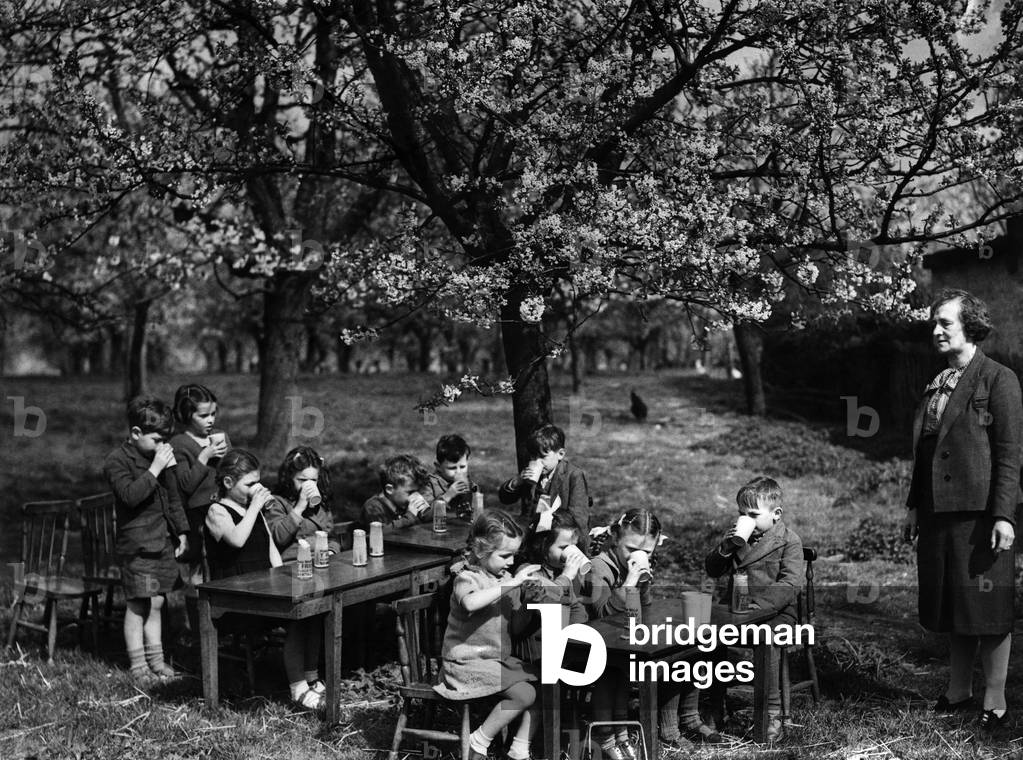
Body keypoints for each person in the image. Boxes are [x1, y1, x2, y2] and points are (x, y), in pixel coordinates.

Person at [902, 288, 1022, 731]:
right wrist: (914, 506)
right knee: (953, 601)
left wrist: (1004, 515)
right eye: (933, 323)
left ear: (969, 326)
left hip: (981, 515)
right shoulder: (937, 382)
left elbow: (1010, 452)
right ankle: (958, 690)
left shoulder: (998, 379)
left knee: (986, 606)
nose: (935, 331)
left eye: (944, 323)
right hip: (937, 512)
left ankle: (994, 696)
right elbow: (925, 452)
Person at [205, 450, 326, 712]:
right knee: (296, 618)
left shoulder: (253, 509)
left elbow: (271, 548)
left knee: (312, 608)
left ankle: (310, 675)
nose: (255, 489)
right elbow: (236, 539)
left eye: (257, 482)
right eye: (249, 484)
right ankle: (297, 689)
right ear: (228, 483)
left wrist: (284, 579)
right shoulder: (217, 511)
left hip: (263, 590)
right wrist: (256, 507)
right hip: (235, 597)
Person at [583, 509, 706, 754]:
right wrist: (629, 582)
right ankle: (610, 735)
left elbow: (645, 606)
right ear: (615, 538)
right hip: (595, 645)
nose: (637, 556)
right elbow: (602, 613)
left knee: (684, 651)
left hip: (624, 640)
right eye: (630, 549)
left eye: (646, 552)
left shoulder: (634, 565)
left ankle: (671, 724)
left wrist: (643, 579)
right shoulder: (599, 566)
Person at [434, 510, 542, 760]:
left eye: (514, 555)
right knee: (525, 694)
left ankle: (518, 750)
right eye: (505, 555)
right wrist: (512, 584)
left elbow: (515, 628)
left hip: (495, 661)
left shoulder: (505, 579)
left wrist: (529, 604)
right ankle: (478, 742)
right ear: (482, 550)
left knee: (543, 686)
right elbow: (470, 604)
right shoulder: (466, 577)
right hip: (464, 664)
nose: (511, 562)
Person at [705, 476, 803, 742]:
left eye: (752, 514)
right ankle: (714, 704)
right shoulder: (736, 537)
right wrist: (725, 549)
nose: (743, 519)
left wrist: (758, 607)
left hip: (776, 612)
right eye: (740, 513)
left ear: (775, 514)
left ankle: (771, 712)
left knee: (768, 638)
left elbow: (790, 583)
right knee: (706, 637)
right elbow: (712, 570)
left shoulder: (788, 541)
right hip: (736, 610)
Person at [103, 395, 189, 682]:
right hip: (137, 546)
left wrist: (182, 531)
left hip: (162, 541)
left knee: (157, 602)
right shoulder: (117, 461)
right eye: (156, 439)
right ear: (136, 433)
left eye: (166, 439)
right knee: (138, 603)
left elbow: (173, 497)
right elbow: (130, 496)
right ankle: (138, 666)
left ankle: (157, 661)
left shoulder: (160, 456)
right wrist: (155, 469)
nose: (163, 446)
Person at [170, 384, 229, 636]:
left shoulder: (217, 437)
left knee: (222, 570)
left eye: (213, 414)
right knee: (198, 575)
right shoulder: (179, 444)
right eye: (203, 416)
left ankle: (223, 628)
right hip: (197, 517)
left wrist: (227, 459)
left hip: (222, 510)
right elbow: (185, 486)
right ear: (186, 415)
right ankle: (199, 634)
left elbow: (230, 473)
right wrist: (204, 457)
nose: (210, 420)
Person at [516, 508, 589, 662]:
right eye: (563, 548)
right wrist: (566, 577)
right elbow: (548, 603)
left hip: (566, 647)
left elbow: (577, 610)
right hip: (537, 655)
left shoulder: (560, 571)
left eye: (573, 546)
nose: (571, 553)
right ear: (542, 546)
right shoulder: (527, 572)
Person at [498, 424, 591, 532]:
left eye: (542, 457)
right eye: (533, 456)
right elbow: (505, 499)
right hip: (533, 534)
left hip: (562, 536)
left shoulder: (573, 475)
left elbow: (579, 519)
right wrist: (516, 482)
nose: (537, 461)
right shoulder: (530, 475)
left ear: (560, 454)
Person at [265, 446, 341, 562]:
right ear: (290, 478)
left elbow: (331, 537)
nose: (309, 485)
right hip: (293, 565)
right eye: (302, 480)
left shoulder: (321, 503)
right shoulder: (277, 502)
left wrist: (331, 551)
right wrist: (299, 507)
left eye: (313, 480)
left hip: (321, 561)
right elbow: (278, 538)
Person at [360, 454, 432, 530]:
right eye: (410, 492)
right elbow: (381, 534)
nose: (416, 496)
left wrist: (425, 512)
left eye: (418, 491)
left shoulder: (401, 505)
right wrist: (410, 516)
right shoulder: (373, 507)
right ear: (389, 489)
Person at [423, 434, 482, 520]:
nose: (458, 472)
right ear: (438, 466)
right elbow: (425, 516)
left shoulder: (472, 486)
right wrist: (448, 495)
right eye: (452, 468)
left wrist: (474, 502)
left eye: (462, 467)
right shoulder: (430, 485)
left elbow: (478, 516)